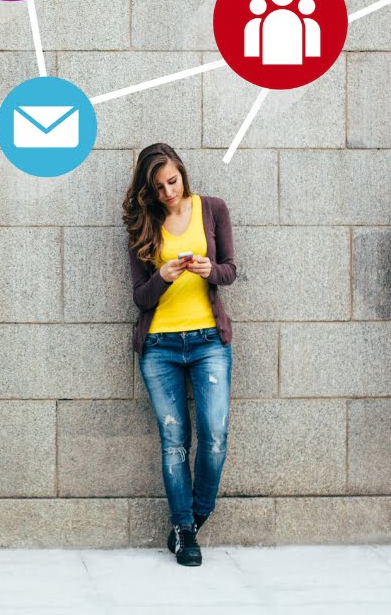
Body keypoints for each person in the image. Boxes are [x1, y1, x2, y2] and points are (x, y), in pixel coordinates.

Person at [122, 143, 237, 567]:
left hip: (208, 341)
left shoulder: (213, 209)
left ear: (183, 174)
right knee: (174, 442)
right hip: (160, 346)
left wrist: (211, 270)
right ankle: (184, 529)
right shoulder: (143, 225)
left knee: (214, 436)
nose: (169, 192)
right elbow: (139, 297)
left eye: (173, 181)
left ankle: (197, 513)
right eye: (158, 187)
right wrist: (164, 277)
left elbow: (230, 269)